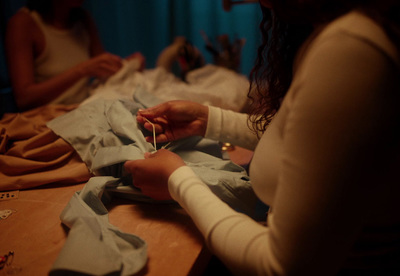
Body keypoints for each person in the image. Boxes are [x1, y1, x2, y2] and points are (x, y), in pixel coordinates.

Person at [124, 0, 400, 274]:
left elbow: (281, 267)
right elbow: (307, 144)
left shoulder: (351, 51)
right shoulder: (334, 34)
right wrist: (208, 120)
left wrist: (177, 180)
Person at [5, 0, 144, 111]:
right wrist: (82, 70)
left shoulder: (83, 19)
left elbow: (104, 69)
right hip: (45, 119)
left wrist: (128, 65)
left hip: (81, 108)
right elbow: (24, 99)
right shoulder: (23, 24)